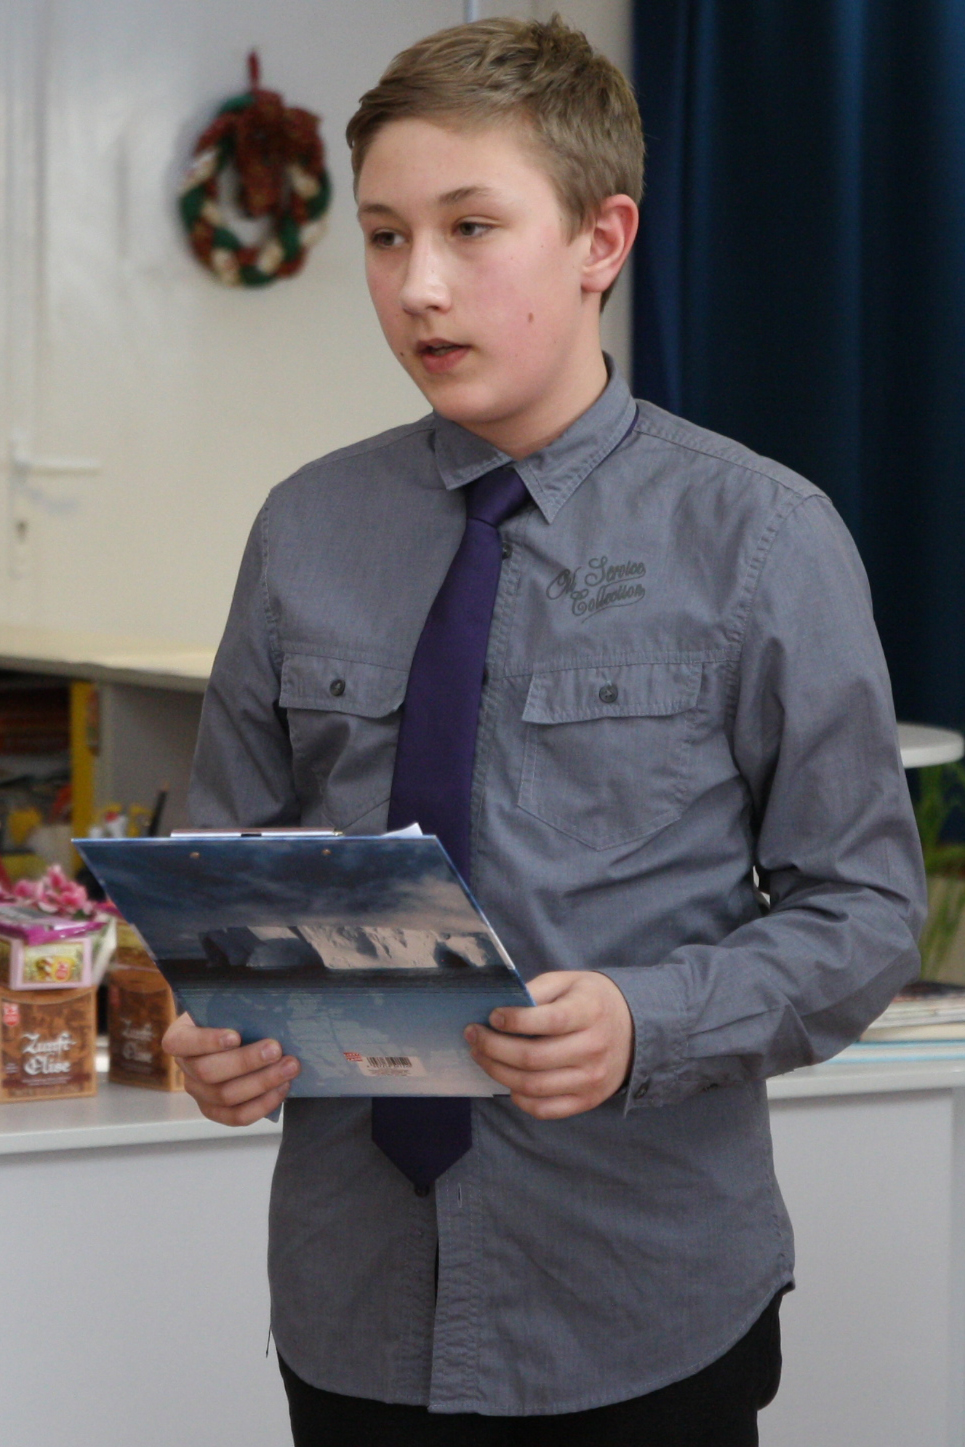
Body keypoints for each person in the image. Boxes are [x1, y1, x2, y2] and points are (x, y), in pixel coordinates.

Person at [163, 16, 926, 1446]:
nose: (419, 285)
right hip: (352, 1302)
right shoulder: (302, 530)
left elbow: (868, 905)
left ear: (600, 240)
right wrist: (214, 1028)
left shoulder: (763, 537)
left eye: (470, 228)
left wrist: (650, 1022)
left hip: (640, 1304)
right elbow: (231, 878)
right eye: (384, 237)